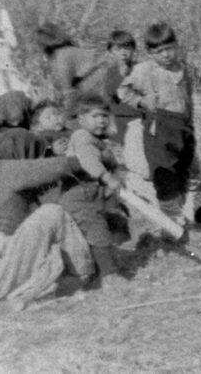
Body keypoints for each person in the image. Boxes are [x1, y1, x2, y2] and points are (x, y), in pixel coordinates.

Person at [0, 129, 94, 311]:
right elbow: (56, 168)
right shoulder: (5, 169)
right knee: (52, 213)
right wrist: (92, 159)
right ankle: (82, 275)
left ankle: (9, 300)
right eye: (35, 153)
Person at [118, 22, 196, 232]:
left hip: (183, 126)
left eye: (169, 48)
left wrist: (190, 124)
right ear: (150, 53)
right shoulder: (144, 70)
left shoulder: (182, 68)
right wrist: (142, 102)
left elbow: (187, 99)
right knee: (164, 174)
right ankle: (170, 220)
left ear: (176, 46)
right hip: (159, 130)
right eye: (159, 51)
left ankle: (181, 209)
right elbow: (123, 91)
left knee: (183, 167)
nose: (166, 55)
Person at [59, 93, 128, 286]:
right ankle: (109, 275)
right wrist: (108, 178)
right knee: (97, 231)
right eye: (95, 116)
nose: (101, 121)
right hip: (79, 195)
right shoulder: (82, 137)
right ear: (81, 120)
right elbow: (89, 162)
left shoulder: (96, 140)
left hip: (91, 194)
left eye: (105, 116)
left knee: (95, 231)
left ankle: (93, 270)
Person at [34, 22, 108, 120]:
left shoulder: (61, 58)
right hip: (104, 99)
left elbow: (70, 92)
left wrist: (65, 117)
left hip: (94, 105)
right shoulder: (75, 51)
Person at [102, 29, 140, 145]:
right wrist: (121, 75)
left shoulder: (140, 69)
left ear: (133, 50)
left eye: (127, 48)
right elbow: (110, 92)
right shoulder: (111, 71)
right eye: (118, 49)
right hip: (118, 119)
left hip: (137, 118)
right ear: (111, 52)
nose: (123, 52)